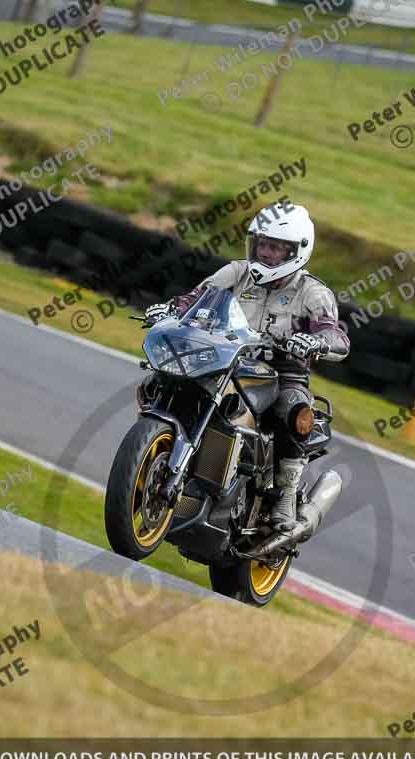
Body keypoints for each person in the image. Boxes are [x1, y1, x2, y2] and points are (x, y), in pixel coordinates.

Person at [144, 201, 350, 534]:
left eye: (276, 248)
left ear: (297, 251)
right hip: (226, 357)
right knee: (164, 378)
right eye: (263, 244)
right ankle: (161, 448)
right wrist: (168, 310)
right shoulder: (236, 273)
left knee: (293, 408)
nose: (267, 254)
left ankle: (285, 493)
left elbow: (336, 336)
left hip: (282, 370)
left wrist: (315, 342)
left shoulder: (313, 293)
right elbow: (194, 300)